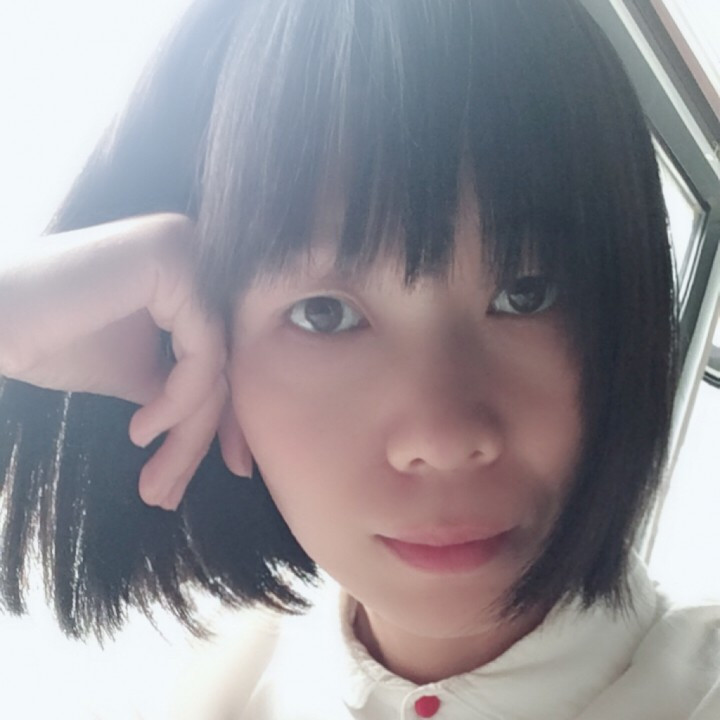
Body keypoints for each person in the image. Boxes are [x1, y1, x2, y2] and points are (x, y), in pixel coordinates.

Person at [0, 0, 719, 717]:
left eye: (526, 294)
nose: (441, 439)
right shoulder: (223, 680)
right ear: (214, 357)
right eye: (325, 313)